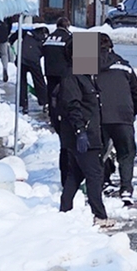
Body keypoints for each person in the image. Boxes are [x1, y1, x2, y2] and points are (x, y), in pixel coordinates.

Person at [57, 36, 110, 226]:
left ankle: (65, 209)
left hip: (88, 133)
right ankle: (100, 215)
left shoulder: (86, 75)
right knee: (95, 175)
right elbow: (73, 105)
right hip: (83, 135)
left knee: (76, 173)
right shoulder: (72, 76)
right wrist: (80, 131)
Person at [94, 33, 137, 206]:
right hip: (124, 116)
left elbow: (78, 86)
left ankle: (103, 182)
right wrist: (132, 112)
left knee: (99, 152)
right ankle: (126, 189)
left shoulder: (86, 63)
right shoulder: (124, 65)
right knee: (126, 153)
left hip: (99, 116)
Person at [11, 26, 48, 112]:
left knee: (22, 82)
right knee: (39, 81)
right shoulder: (44, 38)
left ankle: (24, 105)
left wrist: (11, 40)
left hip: (22, 59)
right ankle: (44, 102)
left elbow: (18, 32)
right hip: (34, 61)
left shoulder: (28, 33)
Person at [42, 17, 72, 111]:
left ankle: (51, 112)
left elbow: (43, 51)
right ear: (67, 26)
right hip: (63, 71)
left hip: (49, 70)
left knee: (51, 92)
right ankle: (60, 113)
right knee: (62, 93)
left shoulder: (49, 37)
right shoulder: (69, 38)